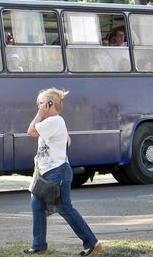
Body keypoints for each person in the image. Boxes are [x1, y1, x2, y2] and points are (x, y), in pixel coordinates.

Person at [25, 88, 102, 256]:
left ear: (49, 104)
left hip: (57, 172)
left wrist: (39, 113)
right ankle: (39, 245)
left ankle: (91, 243)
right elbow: (63, 139)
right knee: (36, 204)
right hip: (45, 172)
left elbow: (30, 131)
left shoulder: (55, 121)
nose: (38, 106)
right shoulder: (54, 123)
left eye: (41, 103)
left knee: (64, 207)